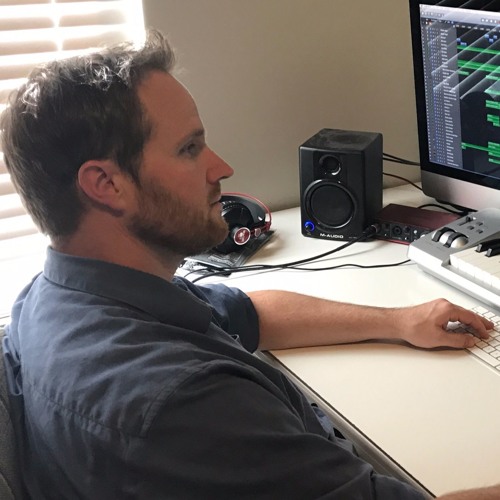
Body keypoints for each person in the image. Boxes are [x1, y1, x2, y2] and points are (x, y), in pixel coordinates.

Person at [0, 29, 497, 500]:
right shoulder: (183, 406)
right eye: (189, 149)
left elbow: (247, 311)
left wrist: (399, 321)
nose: (221, 168)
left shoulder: (59, 297)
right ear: (106, 185)